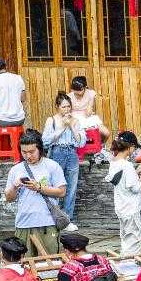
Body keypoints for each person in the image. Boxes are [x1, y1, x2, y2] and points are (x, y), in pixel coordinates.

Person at [4, 132, 69, 254]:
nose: (28, 156)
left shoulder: (52, 166)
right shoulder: (15, 170)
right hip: (23, 223)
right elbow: (9, 197)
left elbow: (62, 191)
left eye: (32, 152)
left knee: (50, 262)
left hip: (47, 222)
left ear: (40, 149)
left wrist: (39, 187)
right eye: (24, 152)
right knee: (25, 263)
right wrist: (15, 186)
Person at [40, 90, 92, 221]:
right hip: (57, 152)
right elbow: (45, 142)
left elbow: (81, 143)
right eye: (64, 107)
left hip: (71, 153)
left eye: (69, 106)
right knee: (55, 186)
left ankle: (68, 219)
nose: (67, 109)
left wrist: (73, 127)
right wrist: (62, 127)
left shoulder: (75, 121)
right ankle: (54, 218)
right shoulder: (51, 120)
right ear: (57, 107)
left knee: (71, 187)